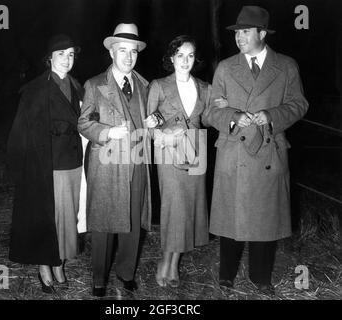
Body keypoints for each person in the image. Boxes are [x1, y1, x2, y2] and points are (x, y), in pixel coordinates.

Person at [203, 6, 309, 295]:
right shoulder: (225, 67)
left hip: (268, 151)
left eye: (246, 32)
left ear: (262, 33)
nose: (239, 38)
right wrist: (233, 117)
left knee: (264, 220)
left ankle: (260, 277)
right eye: (237, 32)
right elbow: (210, 113)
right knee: (231, 218)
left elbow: (299, 105)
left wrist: (272, 115)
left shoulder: (286, 66)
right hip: (233, 152)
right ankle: (226, 275)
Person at [78, 23, 156, 297]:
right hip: (107, 167)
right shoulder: (95, 84)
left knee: (132, 223)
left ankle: (126, 273)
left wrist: (154, 121)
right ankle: (99, 278)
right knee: (103, 225)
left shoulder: (146, 86)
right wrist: (108, 131)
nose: (128, 57)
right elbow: (83, 123)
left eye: (133, 51)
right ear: (112, 52)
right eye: (122, 50)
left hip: (136, 165)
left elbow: (156, 119)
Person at [7, 34, 84, 293]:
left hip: (73, 162)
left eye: (71, 54)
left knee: (67, 218)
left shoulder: (76, 85)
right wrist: (19, 168)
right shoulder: (36, 89)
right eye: (61, 54)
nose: (66, 59)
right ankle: (44, 265)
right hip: (48, 164)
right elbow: (20, 131)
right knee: (47, 217)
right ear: (49, 58)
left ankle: (59, 262)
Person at [147, 35, 210, 288]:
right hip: (169, 153)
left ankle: (174, 264)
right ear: (171, 58)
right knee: (173, 208)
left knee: (189, 209)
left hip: (197, 153)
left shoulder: (205, 87)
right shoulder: (159, 86)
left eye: (191, 55)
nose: (185, 60)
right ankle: (165, 261)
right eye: (180, 55)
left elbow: (211, 117)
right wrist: (160, 133)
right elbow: (150, 123)